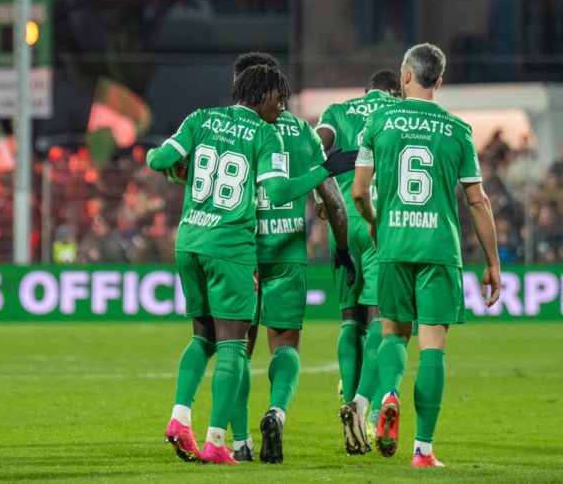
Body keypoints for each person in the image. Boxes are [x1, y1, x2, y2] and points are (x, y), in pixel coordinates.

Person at [147, 64, 357, 465]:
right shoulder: (279, 133)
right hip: (252, 250)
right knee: (256, 345)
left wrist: (181, 173)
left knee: (205, 338)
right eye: (279, 98)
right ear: (262, 94)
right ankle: (231, 433)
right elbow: (286, 191)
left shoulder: (201, 118)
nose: (282, 105)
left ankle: (226, 434)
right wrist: (326, 172)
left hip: (192, 240)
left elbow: (160, 160)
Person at [351, 43, 501, 467]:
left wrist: (376, 223)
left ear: (404, 75)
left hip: (394, 244)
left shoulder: (378, 120)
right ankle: (423, 450)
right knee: (433, 344)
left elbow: (360, 192)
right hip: (439, 248)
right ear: (439, 81)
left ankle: (389, 395)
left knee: (393, 333)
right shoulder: (458, 130)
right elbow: (478, 201)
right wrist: (492, 262)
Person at [225, 53, 352, 464]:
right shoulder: (302, 132)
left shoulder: (228, 131)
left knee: (237, 349)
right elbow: (332, 199)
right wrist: (343, 248)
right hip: (288, 253)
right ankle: (276, 411)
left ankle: (240, 441)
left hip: (241, 252)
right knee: (286, 345)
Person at [314, 69, 404, 455]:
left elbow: (312, 146)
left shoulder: (337, 110)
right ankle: (363, 406)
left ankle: (348, 401)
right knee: (383, 321)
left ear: (365, 89)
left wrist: (322, 195)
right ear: (394, 90)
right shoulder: (400, 113)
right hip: (380, 223)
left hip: (343, 222)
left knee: (350, 320)